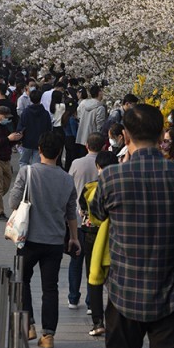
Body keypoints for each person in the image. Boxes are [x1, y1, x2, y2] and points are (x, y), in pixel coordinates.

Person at [89, 104, 174, 348]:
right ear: (164, 135)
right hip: (172, 297)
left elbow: (96, 214)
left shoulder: (111, 177)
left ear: (124, 135)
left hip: (124, 295)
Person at [7, 132, 80, 348]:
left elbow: (12, 202)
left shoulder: (27, 172)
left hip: (27, 239)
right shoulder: (67, 179)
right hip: (55, 242)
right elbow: (71, 213)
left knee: (23, 281)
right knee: (50, 288)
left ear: (39, 150)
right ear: (60, 152)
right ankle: (48, 335)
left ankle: (29, 324)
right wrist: (74, 239)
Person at [84, 150, 120, 337]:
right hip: (116, 239)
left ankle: (98, 322)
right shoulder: (120, 186)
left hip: (93, 238)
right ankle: (115, 320)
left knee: (94, 280)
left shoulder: (90, 189)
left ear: (98, 167)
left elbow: (88, 214)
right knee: (115, 282)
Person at [67, 133, 101, 310]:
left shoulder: (76, 163)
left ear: (87, 145)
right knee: (93, 262)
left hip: (78, 219)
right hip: (97, 221)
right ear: (103, 146)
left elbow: (68, 185)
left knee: (76, 260)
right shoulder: (105, 165)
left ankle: (73, 297)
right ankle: (91, 302)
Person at [16, 89, 52, 167]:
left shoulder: (25, 112)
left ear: (30, 98)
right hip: (39, 142)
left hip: (26, 141)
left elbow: (21, 126)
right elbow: (49, 128)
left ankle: (24, 176)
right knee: (36, 164)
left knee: (23, 162)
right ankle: (34, 177)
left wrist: (19, 139)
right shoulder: (45, 113)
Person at [76, 84, 107, 149]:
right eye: (101, 91)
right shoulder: (100, 108)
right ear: (99, 93)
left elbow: (78, 115)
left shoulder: (83, 103)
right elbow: (100, 125)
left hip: (81, 136)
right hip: (93, 139)